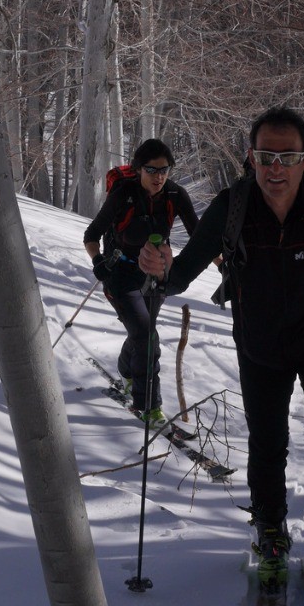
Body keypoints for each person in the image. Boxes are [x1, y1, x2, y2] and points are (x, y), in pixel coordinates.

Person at [138, 106, 304, 588]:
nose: (275, 167)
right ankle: (270, 529)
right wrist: (159, 267)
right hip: (259, 342)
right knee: (267, 443)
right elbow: (180, 275)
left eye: (288, 156)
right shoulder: (232, 205)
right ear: (251, 157)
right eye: (265, 156)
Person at [84, 139, 199, 428]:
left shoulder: (175, 194)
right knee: (147, 336)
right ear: (139, 169)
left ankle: (127, 371)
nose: (159, 176)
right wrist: (98, 261)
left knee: (142, 333)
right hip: (120, 275)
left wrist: (225, 268)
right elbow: (92, 234)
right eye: (152, 170)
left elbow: (201, 239)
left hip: (155, 276)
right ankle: (148, 406)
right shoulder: (123, 193)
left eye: (165, 170)